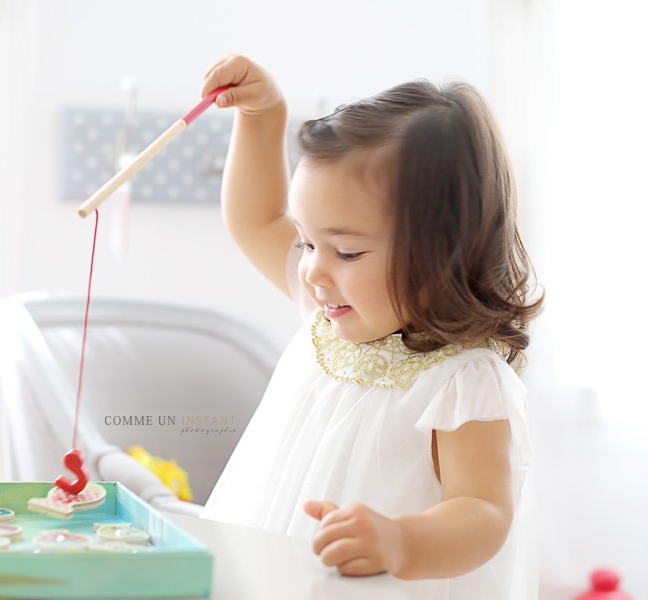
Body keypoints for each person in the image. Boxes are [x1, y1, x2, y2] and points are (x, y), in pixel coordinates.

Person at [198, 54, 544, 598]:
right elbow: (257, 220)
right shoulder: (328, 311)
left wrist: (400, 541)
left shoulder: (465, 380)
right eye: (309, 242)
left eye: (348, 251)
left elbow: (482, 510)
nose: (311, 269)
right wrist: (263, 116)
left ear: (442, 257)